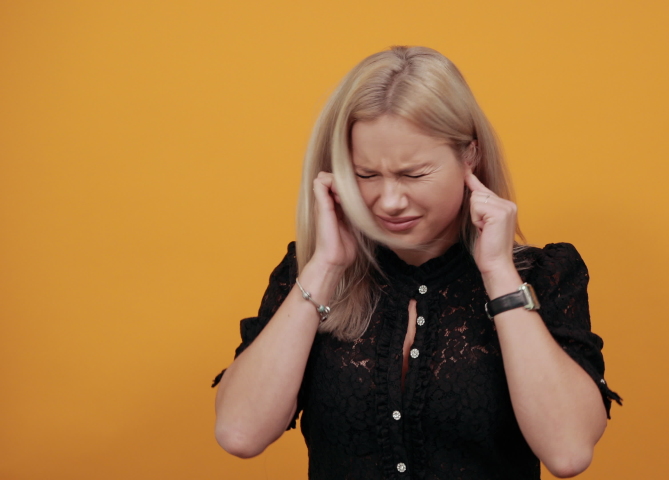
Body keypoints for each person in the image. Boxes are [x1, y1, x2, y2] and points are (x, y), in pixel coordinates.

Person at [211, 45, 620, 479]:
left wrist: (499, 273)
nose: (388, 201)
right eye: (365, 175)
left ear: (470, 155)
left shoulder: (544, 275)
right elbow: (240, 433)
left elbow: (569, 452)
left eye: (413, 174)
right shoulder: (308, 275)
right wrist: (326, 265)